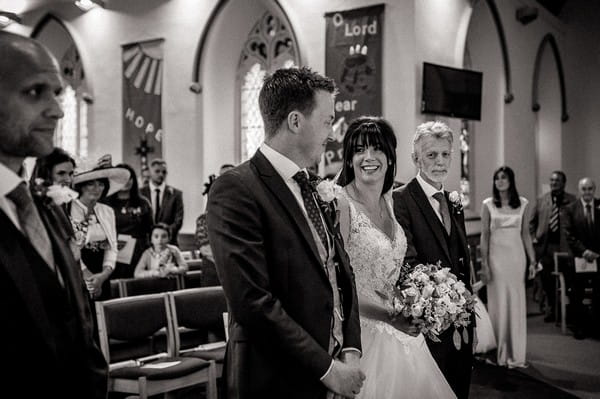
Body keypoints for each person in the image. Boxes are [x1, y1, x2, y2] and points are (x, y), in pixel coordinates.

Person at [207, 67, 364, 399]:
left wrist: (348, 348)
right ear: (295, 121)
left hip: (330, 370)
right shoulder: (236, 189)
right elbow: (252, 301)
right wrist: (327, 368)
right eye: (326, 121)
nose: (332, 134)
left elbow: (339, 270)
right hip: (274, 378)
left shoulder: (310, 186)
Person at [0, 30, 107, 398]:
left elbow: (78, 321)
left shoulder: (43, 206)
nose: (58, 110)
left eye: (57, 93)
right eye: (34, 92)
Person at [337, 116, 455, 398]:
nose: (368, 157)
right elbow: (338, 286)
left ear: (390, 157)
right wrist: (389, 316)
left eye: (377, 149)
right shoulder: (341, 204)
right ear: (349, 159)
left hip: (401, 333)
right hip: (361, 335)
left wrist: (421, 299)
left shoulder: (392, 202)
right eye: (359, 150)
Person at [392, 121, 473, 399]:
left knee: (460, 386)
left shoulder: (453, 201)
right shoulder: (400, 200)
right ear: (416, 159)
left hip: (462, 320)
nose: (440, 161)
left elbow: (461, 256)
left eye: (445, 154)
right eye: (431, 155)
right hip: (430, 323)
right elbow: (408, 262)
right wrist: (441, 303)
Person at [479, 166, 536, 368]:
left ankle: (515, 352)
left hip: (516, 259)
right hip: (496, 260)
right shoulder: (488, 205)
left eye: (503, 178)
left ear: (511, 180)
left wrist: (532, 260)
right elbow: (484, 236)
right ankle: (499, 350)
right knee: (498, 303)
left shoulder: (523, 204)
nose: (500, 181)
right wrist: (484, 263)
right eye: (497, 178)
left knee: (516, 302)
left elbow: (526, 234)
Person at [71, 163, 130, 300]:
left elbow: (112, 246)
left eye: (101, 184)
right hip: (77, 273)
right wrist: (89, 277)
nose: (97, 189)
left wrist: (103, 275)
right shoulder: (68, 209)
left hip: (102, 274)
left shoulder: (107, 211)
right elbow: (69, 248)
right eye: (91, 184)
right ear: (81, 186)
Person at [529, 171, 576, 322]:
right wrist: (534, 238)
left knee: (567, 279)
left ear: (564, 183)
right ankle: (552, 309)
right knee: (547, 279)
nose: (554, 183)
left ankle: (566, 309)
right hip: (546, 247)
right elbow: (531, 223)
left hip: (565, 247)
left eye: (557, 180)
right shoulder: (542, 200)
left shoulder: (572, 200)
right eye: (552, 180)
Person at [563, 177, 600, 339]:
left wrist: (597, 253)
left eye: (590, 189)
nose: (587, 192)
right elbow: (568, 234)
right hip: (578, 259)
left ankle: (597, 326)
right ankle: (580, 326)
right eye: (584, 189)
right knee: (577, 294)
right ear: (579, 191)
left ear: (594, 190)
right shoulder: (570, 209)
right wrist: (585, 252)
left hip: (599, 259)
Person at [104, 163, 153, 278]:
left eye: (130, 178)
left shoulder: (143, 203)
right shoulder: (105, 203)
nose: (127, 181)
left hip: (139, 251)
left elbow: (150, 229)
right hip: (114, 251)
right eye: (122, 178)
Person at [141, 158, 184, 245]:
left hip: (168, 242)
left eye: (164, 172)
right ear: (149, 172)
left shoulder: (176, 194)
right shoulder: (140, 193)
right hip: (145, 243)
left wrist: (163, 235)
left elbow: (178, 220)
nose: (161, 174)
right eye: (157, 171)